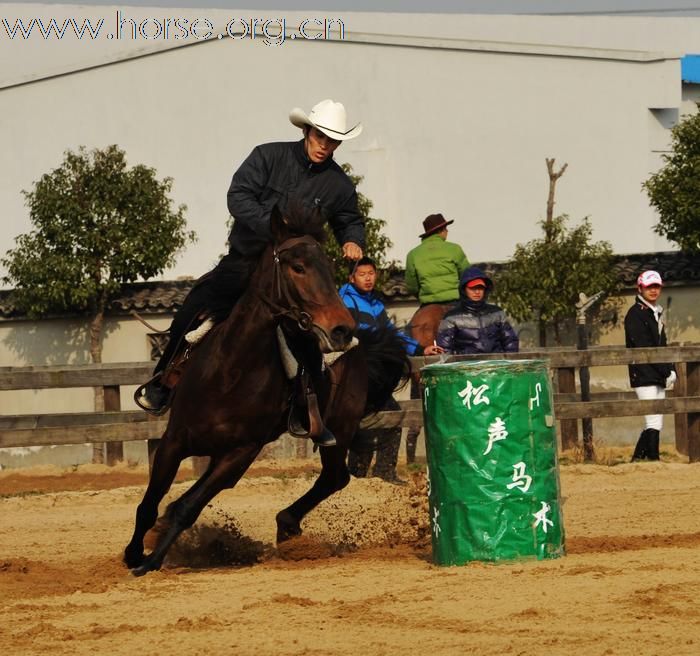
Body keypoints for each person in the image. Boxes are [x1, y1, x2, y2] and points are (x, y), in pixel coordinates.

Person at [136, 99, 365, 415]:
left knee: (310, 334)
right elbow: (238, 196)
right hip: (247, 260)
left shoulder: (339, 185)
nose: (324, 146)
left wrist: (353, 240)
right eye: (320, 137)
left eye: (332, 140)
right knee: (193, 307)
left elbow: (349, 219)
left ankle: (308, 408)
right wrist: (275, 229)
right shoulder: (267, 156)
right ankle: (162, 382)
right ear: (307, 131)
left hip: (296, 272)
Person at [339, 257, 443, 484]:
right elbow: (356, 334)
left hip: (374, 375)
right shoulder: (346, 300)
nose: (368, 278)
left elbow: (391, 335)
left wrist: (420, 348)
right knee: (365, 422)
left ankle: (383, 472)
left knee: (393, 416)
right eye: (362, 274)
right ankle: (356, 474)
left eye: (371, 273)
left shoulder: (376, 303)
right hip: (356, 374)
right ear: (351, 278)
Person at [404, 213, 469, 462]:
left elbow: (410, 286)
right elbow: (467, 276)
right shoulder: (454, 249)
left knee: (416, 363)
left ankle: (410, 451)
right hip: (455, 305)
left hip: (426, 307)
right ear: (442, 231)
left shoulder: (413, 254)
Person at [624, 270, 676, 462]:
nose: (653, 290)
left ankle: (639, 457)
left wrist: (671, 369)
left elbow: (663, 345)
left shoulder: (656, 312)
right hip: (644, 372)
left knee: (656, 419)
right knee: (652, 417)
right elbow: (644, 347)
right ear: (640, 288)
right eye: (649, 287)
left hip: (657, 372)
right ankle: (653, 458)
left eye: (656, 286)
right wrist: (666, 370)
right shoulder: (635, 314)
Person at [436, 266, 519, 355]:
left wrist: (507, 364)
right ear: (464, 290)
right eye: (472, 288)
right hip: (465, 366)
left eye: (480, 288)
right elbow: (445, 350)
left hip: (496, 365)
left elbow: (510, 342)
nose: (477, 292)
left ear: (485, 290)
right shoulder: (450, 317)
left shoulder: (497, 313)